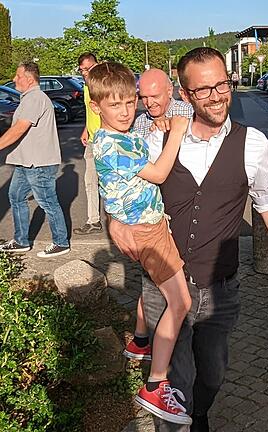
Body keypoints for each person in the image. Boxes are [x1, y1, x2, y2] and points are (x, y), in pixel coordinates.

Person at [108, 47, 268, 432]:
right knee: (173, 381)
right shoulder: (160, 141)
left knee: (213, 374)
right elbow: (122, 184)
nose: (217, 95)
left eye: (223, 84)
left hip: (220, 288)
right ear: (186, 95)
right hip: (165, 285)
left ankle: (198, 413)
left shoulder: (252, 144)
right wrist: (113, 219)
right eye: (204, 90)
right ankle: (182, 419)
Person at [87, 62, 193, 425]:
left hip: (149, 224)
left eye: (130, 102)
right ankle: (156, 383)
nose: (127, 111)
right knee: (180, 302)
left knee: (163, 295)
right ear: (96, 105)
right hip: (146, 232)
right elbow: (159, 173)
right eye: (115, 105)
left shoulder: (120, 134)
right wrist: (177, 130)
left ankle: (140, 343)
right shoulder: (112, 144)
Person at [122, 68, 194, 363]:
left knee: (160, 282)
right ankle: (150, 344)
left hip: (176, 209)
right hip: (152, 216)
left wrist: (173, 126)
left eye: (155, 96)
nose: (149, 103)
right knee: (158, 282)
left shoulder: (184, 110)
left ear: (171, 91)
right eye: (144, 97)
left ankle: (143, 341)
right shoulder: (140, 123)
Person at [0, 61, 70, 258]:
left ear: (28, 78)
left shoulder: (35, 98)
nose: (14, 79)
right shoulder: (29, 98)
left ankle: (61, 243)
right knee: (16, 197)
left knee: (47, 202)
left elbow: (19, 128)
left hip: (39, 164)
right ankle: (21, 241)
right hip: (26, 162)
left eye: (17, 76)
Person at [73, 52, 104, 235]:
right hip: (92, 140)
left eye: (88, 68)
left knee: (110, 182)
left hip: (105, 140)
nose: (85, 73)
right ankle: (93, 221)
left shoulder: (103, 85)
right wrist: (86, 129)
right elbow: (90, 111)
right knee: (90, 181)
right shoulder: (86, 87)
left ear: (97, 65)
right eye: (82, 70)